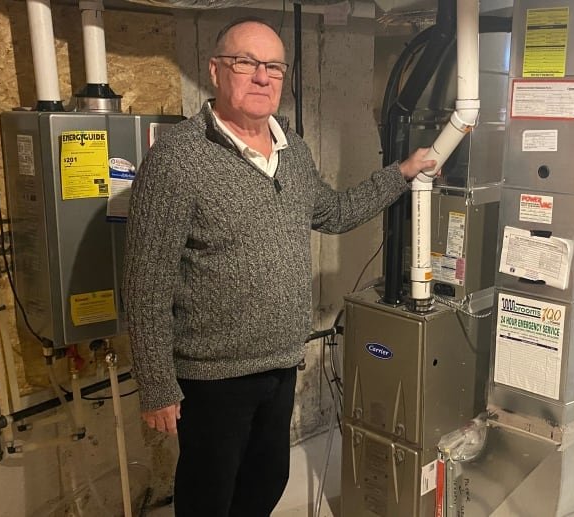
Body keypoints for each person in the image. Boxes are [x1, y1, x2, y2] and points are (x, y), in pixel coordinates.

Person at [122, 16, 436, 517]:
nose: (262, 76)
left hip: (280, 363)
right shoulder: (178, 159)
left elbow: (332, 214)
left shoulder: (291, 150)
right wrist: (157, 384)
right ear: (216, 70)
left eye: (273, 66)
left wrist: (401, 174)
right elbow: (145, 283)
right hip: (213, 375)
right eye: (246, 63)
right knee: (209, 498)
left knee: (266, 483)